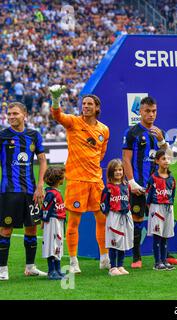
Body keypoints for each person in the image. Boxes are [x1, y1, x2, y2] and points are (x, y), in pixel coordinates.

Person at [49, 85, 110, 273]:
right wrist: (56, 101)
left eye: (90, 104)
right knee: (74, 222)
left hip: (96, 182)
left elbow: (101, 154)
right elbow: (58, 116)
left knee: (102, 220)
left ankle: (105, 258)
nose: (86, 106)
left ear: (97, 108)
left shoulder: (104, 130)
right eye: (84, 103)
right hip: (76, 180)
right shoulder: (73, 122)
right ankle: (74, 261)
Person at [122, 96, 177, 268]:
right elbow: (126, 159)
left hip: (158, 186)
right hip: (140, 184)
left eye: (154, 111)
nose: (151, 114)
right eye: (147, 111)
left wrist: (162, 141)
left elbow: (169, 157)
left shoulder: (158, 132)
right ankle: (136, 257)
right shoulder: (132, 132)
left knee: (162, 220)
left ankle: (166, 256)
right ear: (140, 111)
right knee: (137, 219)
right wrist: (132, 182)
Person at [0, 102, 48, 281]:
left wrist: (40, 185)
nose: (11, 117)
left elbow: (43, 161)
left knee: (32, 229)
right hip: (9, 191)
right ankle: (2, 270)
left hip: (31, 191)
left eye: (15, 114)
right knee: (5, 230)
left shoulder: (34, 135)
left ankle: (30, 267)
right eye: (9, 114)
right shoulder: (3, 136)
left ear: (25, 115)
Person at [100, 159, 133, 276]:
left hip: (125, 216)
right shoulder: (108, 188)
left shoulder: (126, 185)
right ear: (110, 173)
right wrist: (108, 214)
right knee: (114, 242)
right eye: (115, 170)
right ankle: (112, 267)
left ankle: (120, 265)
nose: (118, 172)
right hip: (114, 215)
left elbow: (129, 200)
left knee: (122, 242)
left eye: (120, 170)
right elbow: (103, 203)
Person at [145, 149, 176, 271]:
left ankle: (164, 261)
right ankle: (157, 262)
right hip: (156, 207)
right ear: (157, 161)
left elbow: (172, 194)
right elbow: (148, 195)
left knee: (165, 235)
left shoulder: (172, 179)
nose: (166, 161)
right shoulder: (153, 178)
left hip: (168, 208)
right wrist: (151, 210)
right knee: (157, 235)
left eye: (168, 159)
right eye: (163, 159)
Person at [41, 166, 67, 280]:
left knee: (58, 245)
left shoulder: (56, 192)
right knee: (52, 246)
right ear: (58, 179)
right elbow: (46, 208)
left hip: (58, 221)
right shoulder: (51, 194)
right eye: (62, 176)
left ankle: (58, 270)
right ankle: (51, 271)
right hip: (52, 222)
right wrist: (44, 221)